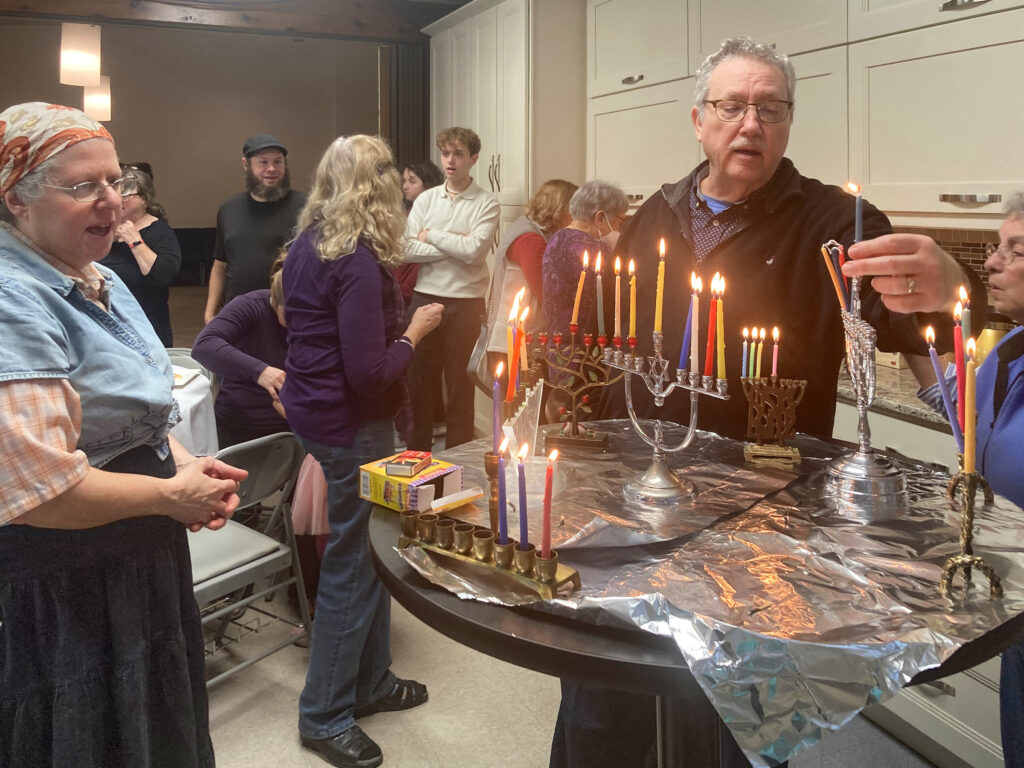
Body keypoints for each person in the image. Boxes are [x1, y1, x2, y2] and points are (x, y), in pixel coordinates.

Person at [562, 37, 986, 768]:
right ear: (699, 119)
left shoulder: (838, 223)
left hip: (764, 517)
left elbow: (914, 323)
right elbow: (617, 340)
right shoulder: (654, 215)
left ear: (789, 123)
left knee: (736, 716)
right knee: (605, 700)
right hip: (638, 499)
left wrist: (953, 289)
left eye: (771, 108)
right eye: (732, 106)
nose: (751, 124)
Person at [0, 101, 246, 767]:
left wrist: (186, 465)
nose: (112, 200)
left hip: (138, 550)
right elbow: (40, 493)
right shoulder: (12, 298)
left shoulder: (100, 275)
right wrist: (169, 496)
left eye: (116, 180)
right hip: (72, 577)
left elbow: (144, 413)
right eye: (84, 186)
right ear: (17, 201)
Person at [280, 134, 444, 768]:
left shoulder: (309, 241)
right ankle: (324, 715)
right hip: (350, 424)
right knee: (353, 563)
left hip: (317, 413)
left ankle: (371, 682)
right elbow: (370, 374)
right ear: (378, 185)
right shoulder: (353, 258)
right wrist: (414, 333)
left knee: (374, 553)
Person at [915, 193, 1024, 768]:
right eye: (996, 247)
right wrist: (916, 334)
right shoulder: (1010, 347)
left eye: (1016, 250)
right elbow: (964, 414)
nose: (992, 263)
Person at [403, 127, 500, 450]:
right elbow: (406, 249)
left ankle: (459, 465)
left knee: (460, 389)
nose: (450, 160)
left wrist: (431, 235)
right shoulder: (426, 199)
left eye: (458, 154)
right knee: (419, 386)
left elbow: (475, 252)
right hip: (425, 299)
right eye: (446, 153)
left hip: (467, 304)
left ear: (473, 159)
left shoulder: (486, 203)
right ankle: (416, 460)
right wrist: (457, 244)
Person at [204, 134, 306, 324]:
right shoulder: (229, 209)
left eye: (278, 162)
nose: (271, 168)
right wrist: (209, 314)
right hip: (238, 316)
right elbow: (220, 266)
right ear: (246, 164)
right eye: (263, 162)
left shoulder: (305, 208)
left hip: (288, 316)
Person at [192, 252, 290, 448]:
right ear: (275, 300)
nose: (301, 322)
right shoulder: (250, 305)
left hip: (294, 429)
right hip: (241, 427)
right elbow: (204, 345)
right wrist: (260, 371)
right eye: (291, 314)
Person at [485, 179, 577, 371]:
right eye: (574, 210)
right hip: (518, 345)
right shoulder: (531, 240)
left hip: (513, 341)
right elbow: (547, 293)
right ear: (561, 209)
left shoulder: (524, 227)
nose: (576, 217)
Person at [98, 161, 180, 346]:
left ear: (145, 199)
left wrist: (135, 241)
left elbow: (164, 276)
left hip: (147, 327)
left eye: (127, 194)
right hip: (106, 325)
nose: (120, 199)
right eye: (117, 192)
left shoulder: (159, 232)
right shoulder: (102, 229)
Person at [541, 179, 627, 336]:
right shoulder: (598, 250)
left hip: (555, 340)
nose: (619, 229)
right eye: (620, 221)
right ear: (600, 218)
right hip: (586, 344)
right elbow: (616, 301)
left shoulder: (556, 238)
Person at [394, 160, 443, 305]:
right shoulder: (407, 210)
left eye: (412, 181)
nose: (405, 186)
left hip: (422, 279)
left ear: (428, 184)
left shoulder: (436, 212)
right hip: (401, 273)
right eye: (404, 181)